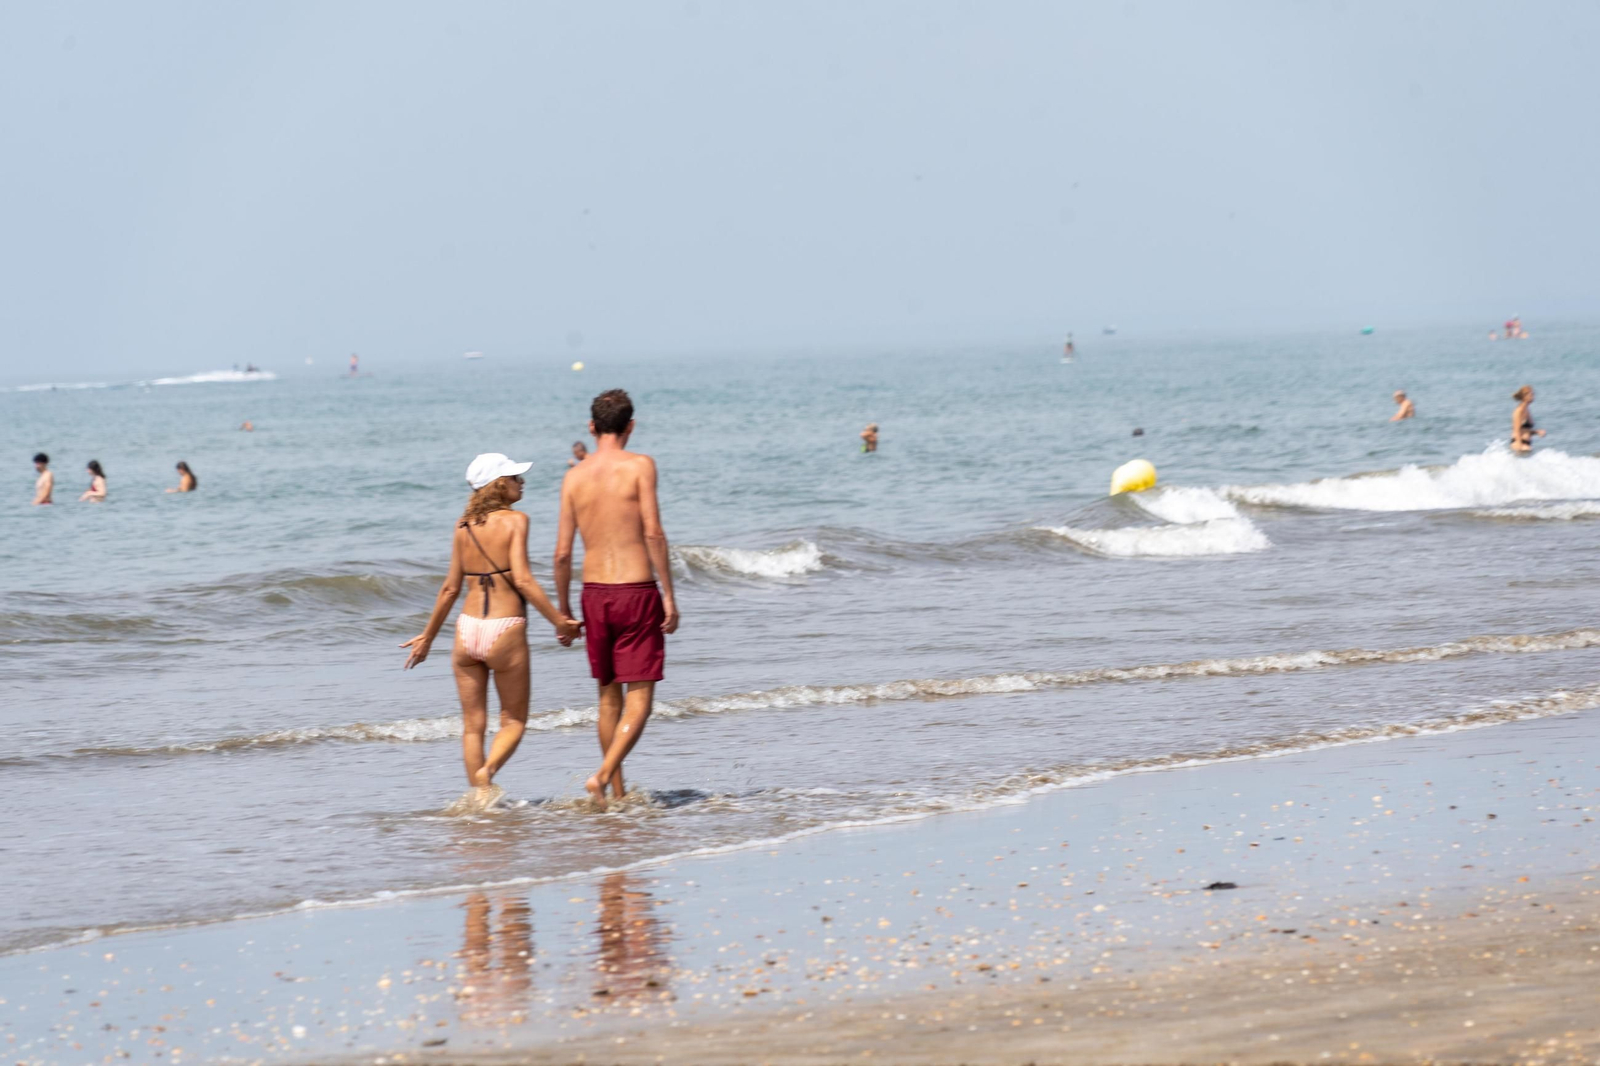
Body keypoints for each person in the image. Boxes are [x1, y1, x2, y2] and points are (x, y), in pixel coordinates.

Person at [401, 453, 581, 806]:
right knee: (513, 720)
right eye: (515, 476)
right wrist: (559, 621)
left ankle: (481, 803)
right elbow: (524, 581)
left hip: (466, 631)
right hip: (505, 629)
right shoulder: (517, 522)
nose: (521, 481)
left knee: (472, 727)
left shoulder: (462, 526)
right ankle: (488, 773)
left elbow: (450, 588)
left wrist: (428, 637)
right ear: (499, 484)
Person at [555, 389, 680, 808]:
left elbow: (561, 554)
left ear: (591, 428)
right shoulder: (641, 466)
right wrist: (668, 594)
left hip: (594, 595)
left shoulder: (573, 477)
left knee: (608, 697)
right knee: (639, 696)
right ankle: (604, 776)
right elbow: (653, 532)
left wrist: (564, 610)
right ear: (631, 426)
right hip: (636, 590)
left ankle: (617, 794)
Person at [1511, 385, 1544, 453]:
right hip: (1520, 444)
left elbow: (1525, 430)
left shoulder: (1526, 409)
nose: (1533, 396)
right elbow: (1516, 430)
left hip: (1526, 444)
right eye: (1531, 394)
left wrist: (1537, 432)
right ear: (1525, 396)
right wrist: (1519, 446)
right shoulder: (1519, 411)